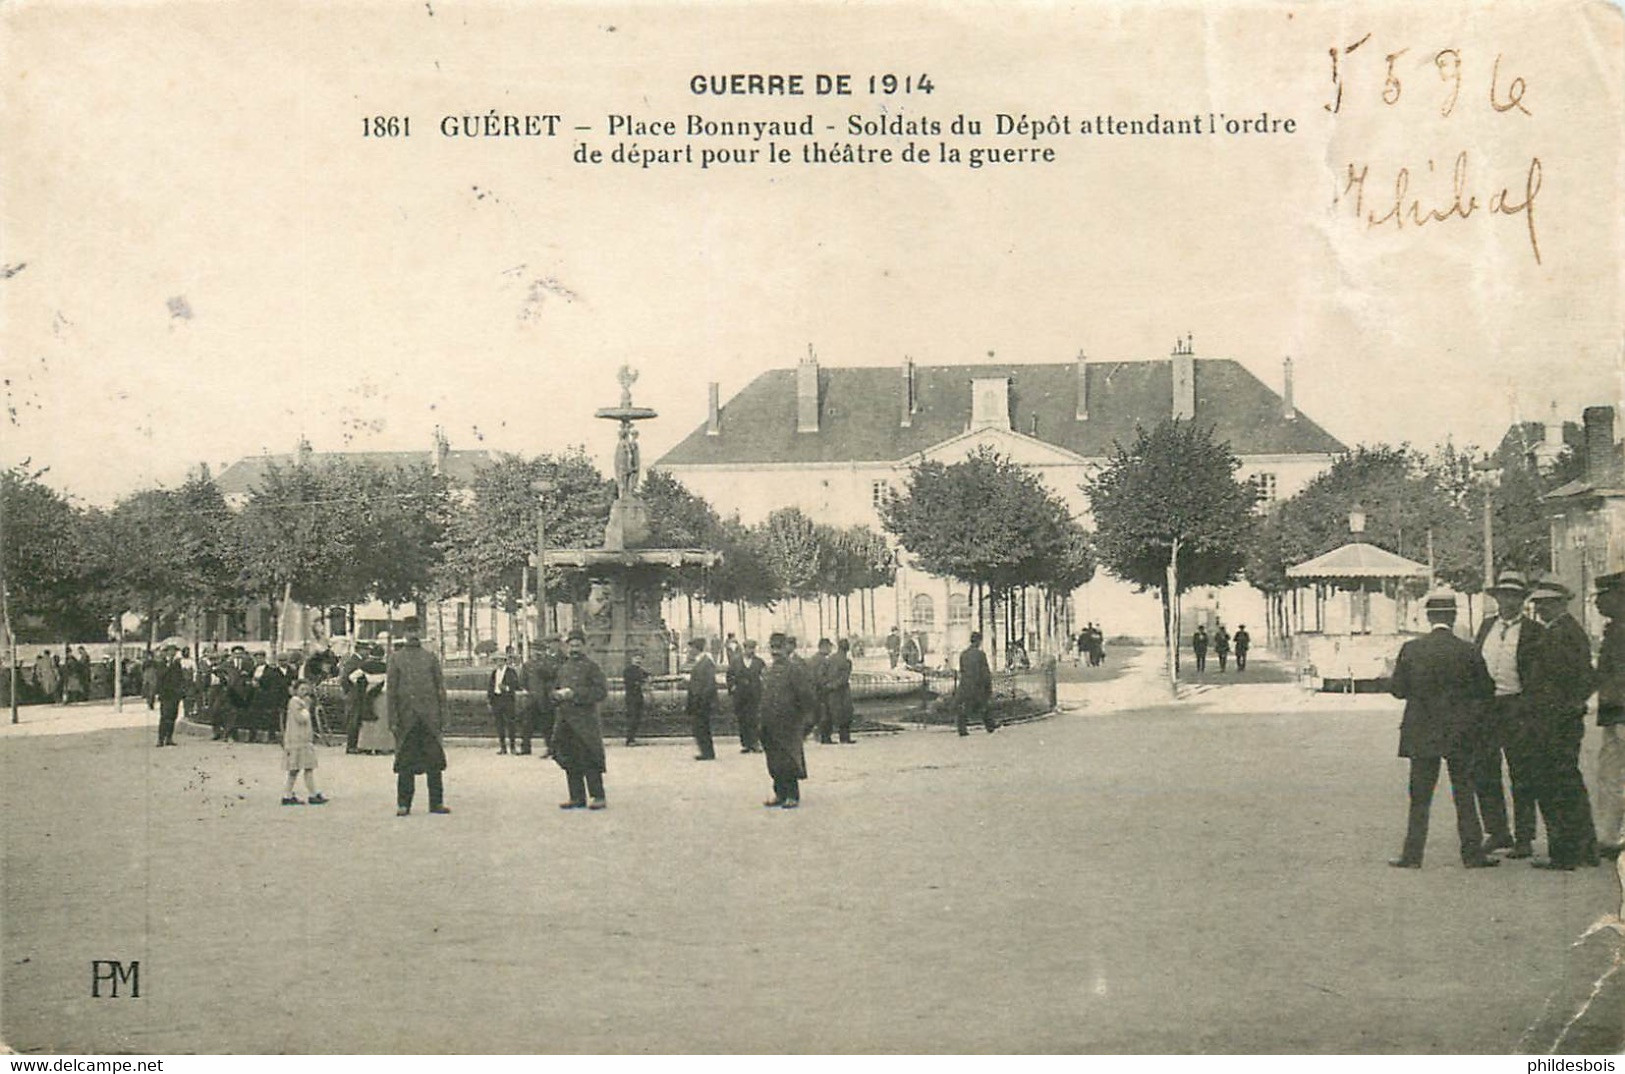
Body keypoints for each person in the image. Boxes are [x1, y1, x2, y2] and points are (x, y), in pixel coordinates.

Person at [1387, 594, 1499, 869]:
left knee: (1420, 796)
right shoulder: (1469, 651)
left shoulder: (1411, 649)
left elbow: (1398, 690)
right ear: (1453, 617)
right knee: (1464, 793)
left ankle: (1412, 855)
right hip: (1460, 733)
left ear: (1429, 618)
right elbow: (1486, 690)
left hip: (1422, 732)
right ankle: (1472, 854)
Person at [1525, 578, 1599, 871]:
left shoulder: (1562, 634)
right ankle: (1584, 848)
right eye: (1537, 603)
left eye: (1544, 604)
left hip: (1554, 721)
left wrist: (1567, 706)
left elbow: (1580, 678)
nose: (1539, 609)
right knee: (1567, 783)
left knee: (1554, 785)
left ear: (1559, 603)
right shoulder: (1567, 631)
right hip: (1559, 719)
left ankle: (1564, 853)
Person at [1471, 570, 1543, 859]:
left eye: (1513, 596)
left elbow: (1539, 676)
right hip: (1487, 707)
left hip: (1517, 707)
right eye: (1503, 596)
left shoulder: (1534, 631)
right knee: (1485, 771)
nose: (1507, 602)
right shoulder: (1486, 626)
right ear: (1497, 598)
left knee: (1522, 772)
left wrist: (1530, 707)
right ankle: (1498, 831)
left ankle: (1524, 837)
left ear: (1522, 600)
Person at [386, 632, 450, 816]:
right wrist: (393, 719)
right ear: (405, 635)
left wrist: (443, 716)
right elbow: (391, 691)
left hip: (428, 720)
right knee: (405, 765)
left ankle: (436, 803)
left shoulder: (431, 658)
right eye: (410, 631)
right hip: (408, 720)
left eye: (415, 631)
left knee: (434, 764)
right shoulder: (396, 659)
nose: (413, 635)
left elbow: (440, 688)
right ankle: (404, 804)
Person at [551, 628, 609, 809]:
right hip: (565, 720)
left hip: (585, 722)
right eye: (571, 645)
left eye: (577, 645)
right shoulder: (563, 667)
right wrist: (556, 695)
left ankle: (598, 796)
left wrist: (574, 694)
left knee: (590, 757)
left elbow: (601, 692)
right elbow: (554, 689)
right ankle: (576, 797)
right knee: (569, 759)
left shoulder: (592, 667)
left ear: (584, 646)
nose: (574, 649)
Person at [760, 633, 815, 808]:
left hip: (789, 723)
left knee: (788, 760)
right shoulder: (769, 671)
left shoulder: (795, 670)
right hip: (770, 723)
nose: (775, 652)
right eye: (772, 648)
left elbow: (806, 697)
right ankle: (780, 794)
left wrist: (805, 721)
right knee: (774, 761)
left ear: (786, 648)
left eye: (779, 647)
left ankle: (792, 795)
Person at [1593, 572, 1625, 860]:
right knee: (1610, 774)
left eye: (1603, 596)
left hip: (1621, 713)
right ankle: (1609, 836)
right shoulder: (1615, 629)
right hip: (1615, 714)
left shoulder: (1620, 632)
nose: (1597, 603)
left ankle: (1610, 836)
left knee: (1614, 774)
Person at [280, 681, 328, 806]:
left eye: (306, 689)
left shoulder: (297, 702)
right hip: (297, 741)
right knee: (298, 769)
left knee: (304, 768)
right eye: (302, 689)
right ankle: (292, 794)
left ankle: (304, 793)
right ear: (296, 690)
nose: (305, 692)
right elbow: (301, 718)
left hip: (302, 740)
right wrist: (307, 708)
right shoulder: (295, 702)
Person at [522, 637, 562, 758]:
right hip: (532, 698)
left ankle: (551, 749)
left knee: (547, 725)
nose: (536, 653)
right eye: (534, 650)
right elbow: (523, 681)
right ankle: (525, 747)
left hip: (545, 698)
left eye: (538, 650)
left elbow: (552, 677)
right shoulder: (527, 665)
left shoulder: (548, 663)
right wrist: (527, 691)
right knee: (526, 724)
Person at [957, 631, 997, 736]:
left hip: (965, 684)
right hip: (978, 685)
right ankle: (990, 726)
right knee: (984, 706)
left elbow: (962, 670)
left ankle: (962, 729)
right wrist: (988, 686)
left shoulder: (963, 654)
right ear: (979, 641)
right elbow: (985, 671)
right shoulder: (980, 654)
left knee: (964, 707)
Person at [686, 637, 719, 760]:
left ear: (696, 648)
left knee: (702, 727)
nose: (689, 651)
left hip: (701, 702)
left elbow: (710, 683)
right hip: (699, 701)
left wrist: (703, 700)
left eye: (691, 648)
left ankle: (707, 753)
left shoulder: (706, 662)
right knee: (699, 727)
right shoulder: (702, 661)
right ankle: (705, 751)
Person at [733, 639, 765, 752]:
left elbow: (764, 677)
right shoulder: (736, 661)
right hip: (741, 696)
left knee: (754, 719)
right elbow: (730, 676)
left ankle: (755, 742)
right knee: (742, 719)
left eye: (753, 648)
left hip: (755, 695)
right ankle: (746, 744)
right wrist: (732, 688)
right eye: (748, 648)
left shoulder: (759, 662)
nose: (751, 651)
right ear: (744, 648)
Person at [154, 644, 188, 747]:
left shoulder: (177, 664)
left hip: (175, 694)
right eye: (170, 651)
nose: (172, 653)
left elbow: (180, 677)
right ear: (166, 652)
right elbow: (159, 676)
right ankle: (161, 739)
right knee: (164, 716)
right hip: (165, 694)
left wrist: (181, 689)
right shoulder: (161, 663)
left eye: (174, 651)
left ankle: (169, 738)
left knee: (173, 715)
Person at [488, 652, 521, 754]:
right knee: (499, 724)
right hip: (497, 700)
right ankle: (503, 747)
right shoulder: (494, 673)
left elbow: (516, 685)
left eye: (501, 660)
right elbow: (490, 687)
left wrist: (506, 688)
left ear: (504, 661)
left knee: (511, 724)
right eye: (497, 660)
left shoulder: (511, 672)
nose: (499, 662)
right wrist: (490, 700)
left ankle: (512, 747)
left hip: (507, 700)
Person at [827, 638, 856, 744]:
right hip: (842, 691)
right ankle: (844, 738)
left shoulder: (830, 659)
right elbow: (844, 678)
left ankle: (826, 737)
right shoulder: (847, 662)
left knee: (830, 712)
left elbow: (824, 674)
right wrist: (835, 685)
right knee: (845, 714)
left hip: (830, 690)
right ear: (847, 648)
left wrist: (828, 685)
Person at [810, 639, 835, 743]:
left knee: (818, 714)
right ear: (824, 647)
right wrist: (828, 684)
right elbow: (821, 677)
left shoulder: (813, 659)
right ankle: (825, 737)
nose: (830, 649)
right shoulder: (823, 660)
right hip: (822, 691)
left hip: (813, 690)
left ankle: (819, 734)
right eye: (829, 647)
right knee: (826, 714)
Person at [622, 653, 648, 747]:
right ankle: (629, 739)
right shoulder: (628, 670)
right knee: (632, 718)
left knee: (637, 717)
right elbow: (630, 682)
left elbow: (646, 676)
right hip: (631, 696)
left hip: (638, 696)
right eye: (636, 658)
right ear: (632, 659)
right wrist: (640, 681)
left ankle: (632, 738)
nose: (638, 660)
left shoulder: (641, 670)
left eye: (640, 659)